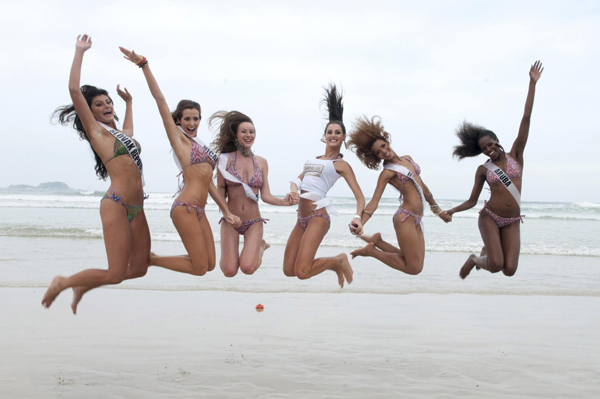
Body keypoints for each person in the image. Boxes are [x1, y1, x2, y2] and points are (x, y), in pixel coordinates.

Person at [42, 35, 150, 313]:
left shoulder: (117, 135)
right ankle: (64, 282)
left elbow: (129, 134)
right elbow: (74, 89)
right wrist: (80, 51)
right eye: (99, 104)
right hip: (116, 204)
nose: (106, 106)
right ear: (89, 113)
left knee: (138, 269)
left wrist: (129, 103)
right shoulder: (96, 133)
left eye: (108, 102)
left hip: (137, 206)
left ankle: (83, 285)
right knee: (115, 273)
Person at [119, 47, 241, 276]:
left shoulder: (202, 145)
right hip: (184, 208)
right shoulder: (179, 140)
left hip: (200, 210)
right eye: (187, 118)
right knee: (198, 268)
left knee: (209, 265)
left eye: (196, 118)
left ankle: (151, 258)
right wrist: (143, 64)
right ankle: (150, 260)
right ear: (178, 121)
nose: (192, 122)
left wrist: (226, 211)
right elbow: (160, 100)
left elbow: (209, 183)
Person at [446, 61, 544, 279]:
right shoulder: (483, 169)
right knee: (497, 264)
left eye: (491, 144)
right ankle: (474, 259)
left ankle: (483, 255)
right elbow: (472, 201)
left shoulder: (516, 155)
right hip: (490, 217)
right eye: (484, 149)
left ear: (497, 141)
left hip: (512, 220)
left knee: (509, 270)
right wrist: (452, 211)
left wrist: (532, 84)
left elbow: (526, 118)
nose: (489, 150)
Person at [283, 84, 364, 287]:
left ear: (343, 137)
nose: (333, 135)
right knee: (289, 270)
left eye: (338, 132)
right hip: (301, 217)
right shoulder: (313, 159)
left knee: (302, 272)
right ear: (324, 135)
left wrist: (358, 218)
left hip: (318, 216)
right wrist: (293, 191)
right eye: (330, 131)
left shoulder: (341, 165)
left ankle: (339, 261)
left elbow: (360, 197)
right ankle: (335, 263)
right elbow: (296, 180)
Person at [348, 116, 452, 275]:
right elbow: (374, 202)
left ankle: (378, 242)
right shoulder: (387, 173)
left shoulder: (407, 159)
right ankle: (372, 251)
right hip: (405, 218)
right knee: (413, 268)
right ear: (375, 156)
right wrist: (360, 222)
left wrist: (438, 211)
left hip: (417, 218)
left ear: (387, 140)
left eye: (383, 146)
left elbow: (424, 189)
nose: (384, 151)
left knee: (417, 265)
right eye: (378, 152)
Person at [210, 111, 298, 277]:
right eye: (244, 131)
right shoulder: (224, 159)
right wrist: (227, 214)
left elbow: (265, 195)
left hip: (253, 221)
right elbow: (220, 190)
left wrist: (284, 202)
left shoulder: (262, 162)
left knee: (247, 268)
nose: (248, 135)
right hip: (230, 220)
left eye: (252, 131)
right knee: (229, 271)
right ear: (235, 134)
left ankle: (260, 247)